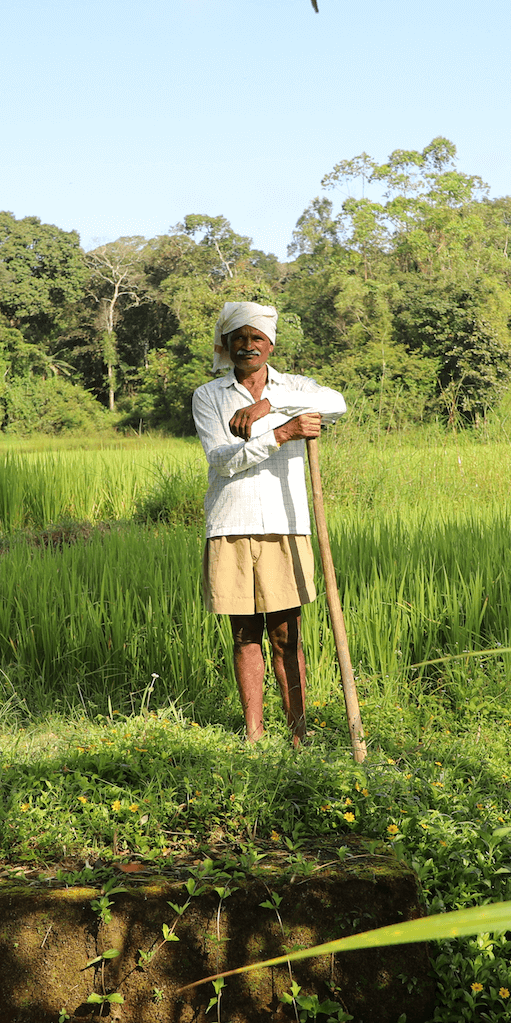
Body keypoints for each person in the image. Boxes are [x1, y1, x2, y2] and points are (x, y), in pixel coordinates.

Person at [192, 302, 346, 746]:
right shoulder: (209, 396)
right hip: (231, 523)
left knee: (286, 636)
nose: (248, 345)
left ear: (270, 344)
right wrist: (281, 433)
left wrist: (269, 405)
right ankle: (254, 736)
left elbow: (336, 404)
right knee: (244, 636)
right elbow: (222, 461)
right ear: (226, 345)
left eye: (256, 337)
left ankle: (298, 734)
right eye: (238, 338)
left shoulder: (295, 387)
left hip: (285, 522)